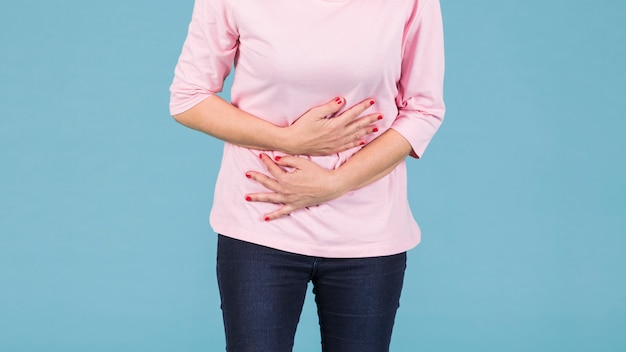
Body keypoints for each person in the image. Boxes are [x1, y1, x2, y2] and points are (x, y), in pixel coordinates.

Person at [169, 0, 445, 350]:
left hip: (366, 231)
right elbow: (188, 97)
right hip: (261, 225)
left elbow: (423, 110)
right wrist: (287, 139)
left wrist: (334, 183)